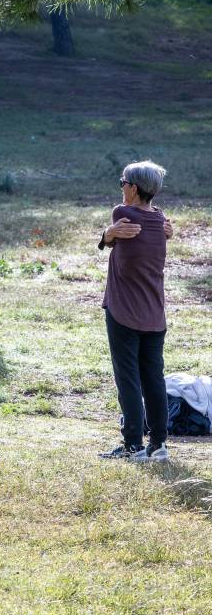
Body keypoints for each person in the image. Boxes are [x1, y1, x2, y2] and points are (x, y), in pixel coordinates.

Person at [97, 160, 173, 462]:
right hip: (155, 314)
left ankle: (132, 445)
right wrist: (108, 235)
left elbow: (110, 236)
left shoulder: (122, 213)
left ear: (134, 188)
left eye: (122, 183)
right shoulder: (161, 220)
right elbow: (113, 239)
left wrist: (107, 232)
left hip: (123, 312)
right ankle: (159, 444)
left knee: (128, 378)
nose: (121, 188)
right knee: (154, 378)